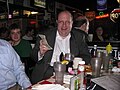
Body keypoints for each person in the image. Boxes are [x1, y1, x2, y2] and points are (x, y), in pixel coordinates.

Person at [31, 10, 91, 84]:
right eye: (61, 22)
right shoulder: (45, 35)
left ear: (72, 23)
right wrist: (40, 53)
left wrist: (76, 62)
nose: (64, 25)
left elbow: (87, 56)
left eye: (67, 22)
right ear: (57, 23)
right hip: (46, 73)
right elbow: (33, 57)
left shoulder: (79, 36)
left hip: (70, 73)